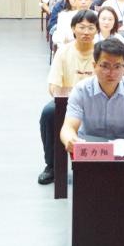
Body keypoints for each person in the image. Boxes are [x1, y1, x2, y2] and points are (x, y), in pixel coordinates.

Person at [60, 38, 124, 154]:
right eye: (105, 66)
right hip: (90, 152)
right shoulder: (81, 90)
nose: (111, 72)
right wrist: (70, 139)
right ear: (94, 65)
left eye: (117, 66)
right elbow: (68, 127)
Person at [38, 10, 98, 184]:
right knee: (49, 113)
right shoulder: (63, 52)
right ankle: (52, 165)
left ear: (97, 30)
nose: (86, 32)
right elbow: (53, 87)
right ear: (73, 28)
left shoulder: (102, 51)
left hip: (98, 102)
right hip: (68, 103)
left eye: (91, 28)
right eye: (82, 27)